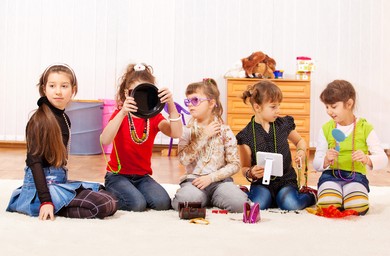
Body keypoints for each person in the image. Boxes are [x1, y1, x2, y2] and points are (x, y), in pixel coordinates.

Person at [6, 64, 118, 220]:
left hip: (59, 182)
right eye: (52, 86)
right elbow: (34, 162)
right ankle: (47, 207)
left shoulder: (65, 118)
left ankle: (63, 202)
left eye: (64, 86)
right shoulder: (38, 120)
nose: (58, 91)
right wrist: (45, 201)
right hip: (41, 189)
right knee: (101, 205)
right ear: (44, 89)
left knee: (109, 198)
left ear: (73, 89)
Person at [100, 63, 182, 212]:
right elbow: (104, 140)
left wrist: (170, 104)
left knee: (162, 203)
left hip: (142, 177)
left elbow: (176, 133)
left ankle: (131, 193)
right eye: (135, 92)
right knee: (137, 204)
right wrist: (123, 112)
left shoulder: (154, 118)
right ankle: (109, 193)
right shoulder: (120, 115)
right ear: (127, 93)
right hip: (117, 175)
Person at [236, 80, 316, 210]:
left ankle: (311, 195)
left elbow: (300, 141)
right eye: (273, 107)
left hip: (286, 180)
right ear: (257, 107)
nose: (278, 111)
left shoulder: (283, 124)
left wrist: (301, 151)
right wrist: (251, 173)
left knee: (291, 204)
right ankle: (251, 193)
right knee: (258, 205)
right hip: (261, 183)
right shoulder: (245, 135)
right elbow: (244, 167)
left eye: (279, 106)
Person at [171, 78, 248, 213]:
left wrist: (211, 178)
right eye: (188, 101)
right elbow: (183, 160)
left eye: (195, 100)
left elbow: (235, 164)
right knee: (183, 203)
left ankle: (213, 197)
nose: (190, 105)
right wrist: (204, 136)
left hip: (221, 182)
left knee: (240, 204)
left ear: (211, 103)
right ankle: (203, 198)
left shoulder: (225, 130)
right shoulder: (186, 131)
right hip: (193, 182)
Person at [313, 80, 388, 215]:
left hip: (356, 177)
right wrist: (325, 159)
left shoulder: (365, 127)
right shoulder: (326, 129)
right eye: (327, 107)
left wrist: (367, 159)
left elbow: (383, 159)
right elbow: (316, 164)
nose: (329, 111)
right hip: (331, 176)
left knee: (356, 207)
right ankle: (338, 196)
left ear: (349, 104)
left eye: (333, 107)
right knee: (327, 205)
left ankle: (345, 197)